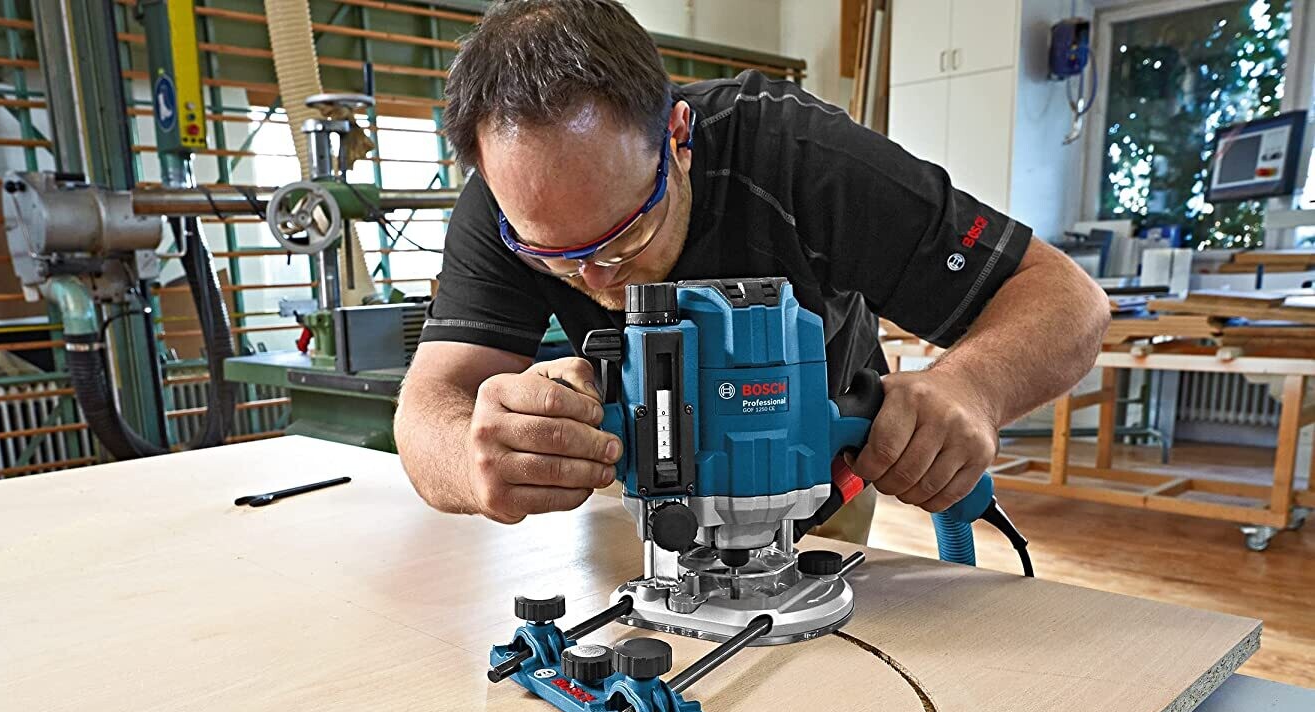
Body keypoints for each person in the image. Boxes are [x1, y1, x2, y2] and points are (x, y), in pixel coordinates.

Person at [393, 0, 1108, 542]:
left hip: (817, 495)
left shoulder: (801, 156)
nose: (598, 279)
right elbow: (428, 409)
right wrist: (475, 456)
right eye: (554, 256)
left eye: (624, 236)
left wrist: (972, 388)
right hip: (646, 506)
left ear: (677, 139)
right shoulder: (505, 203)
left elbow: (1068, 299)